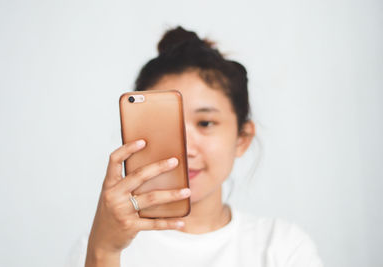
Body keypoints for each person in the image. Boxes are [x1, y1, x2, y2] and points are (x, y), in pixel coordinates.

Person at [65, 26, 323, 267]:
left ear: (242, 139)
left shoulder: (283, 247)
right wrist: (104, 251)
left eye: (206, 123)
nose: (186, 149)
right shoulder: (99, 249)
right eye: (165, 125)